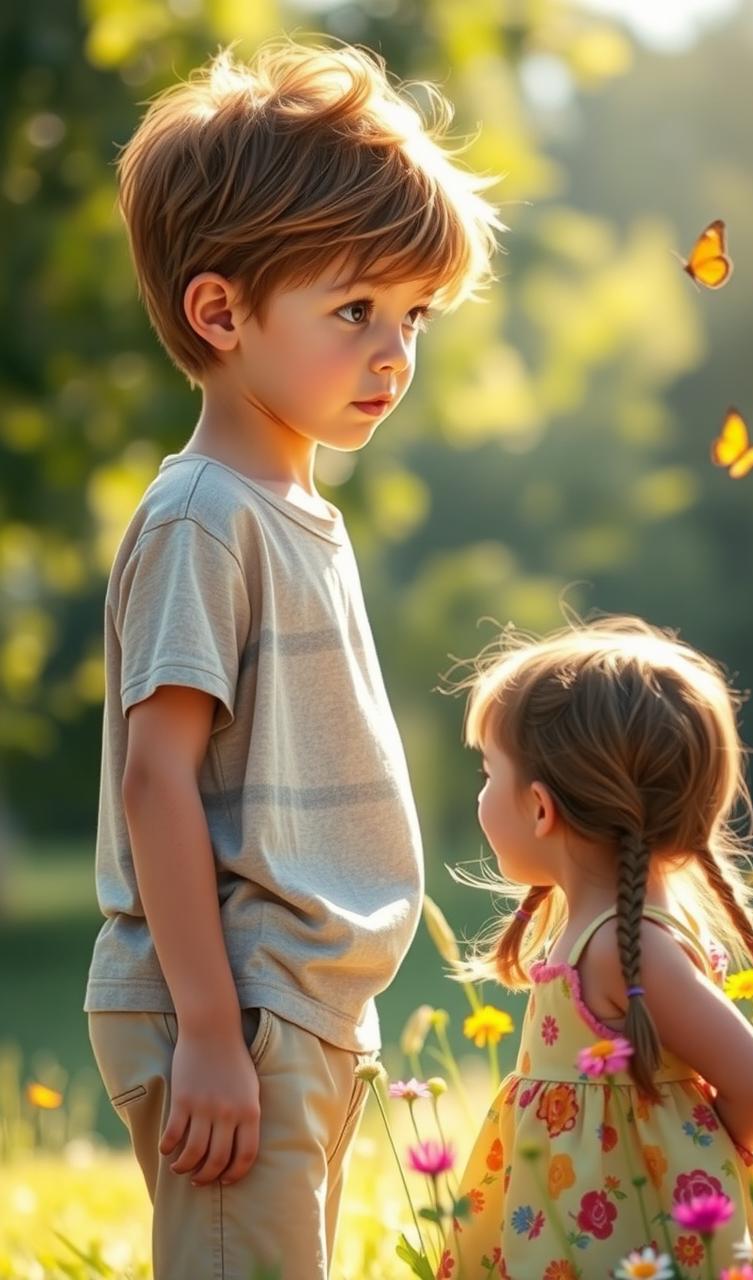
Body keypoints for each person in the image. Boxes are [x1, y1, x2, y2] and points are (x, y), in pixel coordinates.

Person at [82, 35, 503, 1280]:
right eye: (355, 310)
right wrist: (210, 1027)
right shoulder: (205, 514)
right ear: (221, 312)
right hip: (238, 1010)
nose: (395, 353)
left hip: (303, 1008)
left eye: (414, 314)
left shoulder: (290, 511)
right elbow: (157, 779)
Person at [437, 614, 753, 1279]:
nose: (480, 791)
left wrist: (704, 1157)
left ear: (539, 808)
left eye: (486, 771)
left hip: (626, 1241)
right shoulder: (599, 932)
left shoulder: (622, 948)